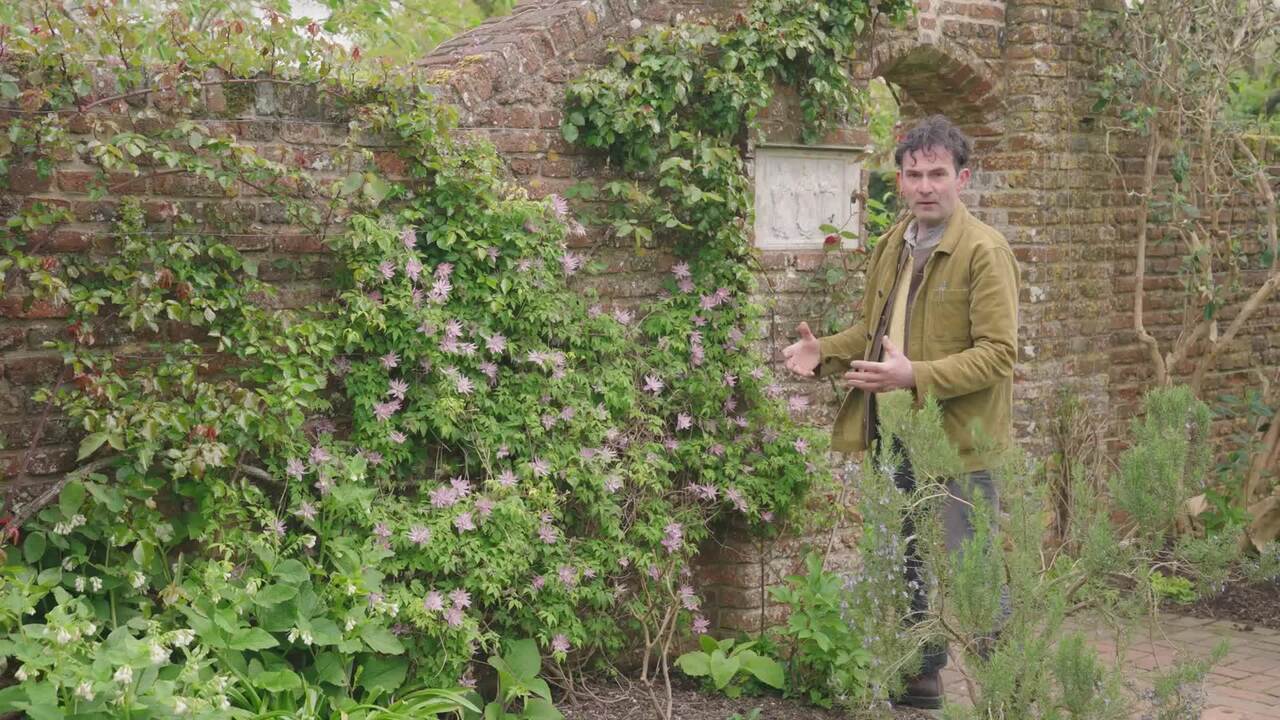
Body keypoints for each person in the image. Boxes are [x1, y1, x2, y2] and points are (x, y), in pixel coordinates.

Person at [782, 114, 1020, 709]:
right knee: (906, 555)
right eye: (913, 174)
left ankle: (1011, 684)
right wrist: (825, 353)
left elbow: (998, 356)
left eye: (937, 173)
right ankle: (921, 675)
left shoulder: (984, 252)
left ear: (962, 178)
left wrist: (916, 375)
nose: (925, 186)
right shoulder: (894, 243)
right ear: (900, 179)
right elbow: (872, 329)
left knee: (974, 567)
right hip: (893, 433)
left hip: (960, 441)